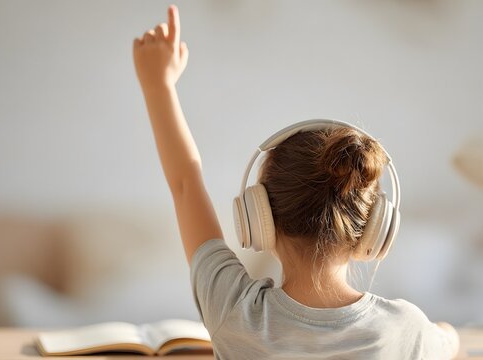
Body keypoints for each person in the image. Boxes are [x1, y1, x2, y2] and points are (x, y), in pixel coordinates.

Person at [133, 5, 460, 359]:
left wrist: (158, 85)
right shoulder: (406, 330)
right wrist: (444, 336)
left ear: (260, 221)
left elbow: (185, 184)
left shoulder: (234, 309)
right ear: (373, 230)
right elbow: (449, 342)